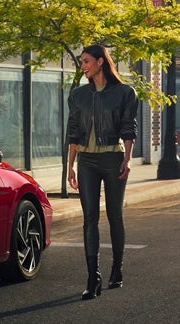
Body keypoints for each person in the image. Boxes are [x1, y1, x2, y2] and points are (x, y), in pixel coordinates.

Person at [66, 45, 138, 301]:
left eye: (86, 61)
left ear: (100, 61)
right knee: (89, 219)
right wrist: (70, 166)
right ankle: (92, 277)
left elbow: (128, 129)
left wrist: (127, 160)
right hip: (86, 161)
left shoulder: (124, 93)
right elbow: (73, 132)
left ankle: (116, 269)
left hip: (112, 158)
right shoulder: (78, 95)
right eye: (81, 62)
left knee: (114, 215)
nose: (83, 66)